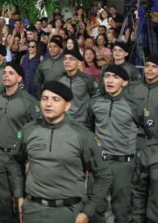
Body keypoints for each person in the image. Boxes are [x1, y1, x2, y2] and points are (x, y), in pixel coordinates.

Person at [13, 81, 111, 223]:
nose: (48, 104)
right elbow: (15, 160)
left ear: (67, 105)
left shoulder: (82, 135)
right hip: (33, 210)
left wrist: (87, 212)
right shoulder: (28, 130)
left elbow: (104, 175)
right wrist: (19, 195)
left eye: (56, 99)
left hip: (68, 212)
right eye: (45, 98)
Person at [86, 65, 152, 223]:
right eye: (107, 76)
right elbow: (88, 130)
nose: (109, 80)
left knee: (123, 211)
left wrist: (141, 158)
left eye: (115, 77)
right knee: (94, 209)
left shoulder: (135, 105)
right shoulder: (94, 102)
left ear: (124, 82)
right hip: (99, 163)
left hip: (124, 165)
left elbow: (152, 134)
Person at [0, 63, 40, 222]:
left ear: (19, 78)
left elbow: (36, 131)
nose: (6, 76)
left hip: (18, 157)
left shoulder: (29, 101)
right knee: (2, 196)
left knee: (21, 195)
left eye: (11, 73)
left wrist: (30, 158)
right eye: (4, 73)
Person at [127, 57, 158, 140]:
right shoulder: (132, 87)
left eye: (154, 66)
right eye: (147, 66)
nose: (149, 69)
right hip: (135, 135)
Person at [56, 48, 96, 126]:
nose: (67, 61)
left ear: (78, 62)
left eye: (71, 59)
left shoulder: (87, 79)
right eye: (65, 59)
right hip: (64, 121)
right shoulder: (60, 79)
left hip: (82, 122)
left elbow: (94, 98)